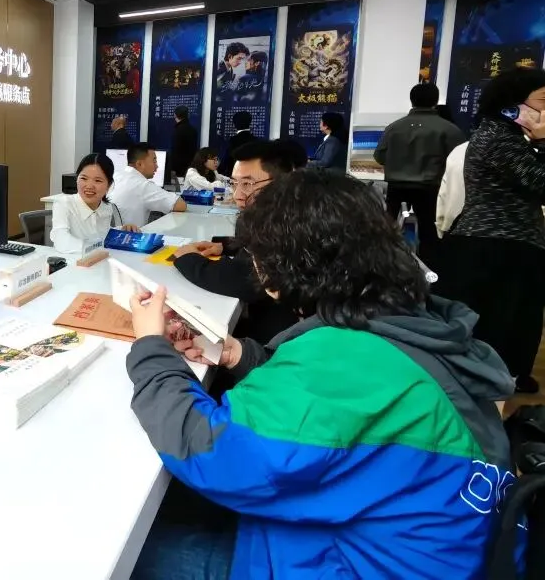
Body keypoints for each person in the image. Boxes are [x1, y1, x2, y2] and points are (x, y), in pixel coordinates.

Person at [128, 169, 516, 579]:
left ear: (279, 269)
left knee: (125, 549)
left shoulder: (338, 356)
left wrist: (151, 347)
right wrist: (235, 353)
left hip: (357, 565)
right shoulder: (403, 321)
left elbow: (207, 449)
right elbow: (336, 411)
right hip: (431, 549)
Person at [434, 68, 545, 393]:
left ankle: (500, 383)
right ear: (514, 104)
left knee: (508, 320)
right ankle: (492, 391)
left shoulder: (505, 137)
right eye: (543, 100)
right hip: (496, 246)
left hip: (499, 244)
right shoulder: (498, 138)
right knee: (500, 323)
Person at [172, 141, 299, 344]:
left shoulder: (291, 222)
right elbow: (253, 246)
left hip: (279, 339)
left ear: (280, 183)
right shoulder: (270, 212)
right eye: (234, 183)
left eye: (247, 184)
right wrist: (225, 246)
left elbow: (247, 280)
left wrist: (189, 260)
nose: (238, 195)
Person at [374, 83, 466, 267]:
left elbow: (379, 156)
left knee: (388, 230)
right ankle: (428, 271)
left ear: (411, 100)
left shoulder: (394, 127)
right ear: (435, 100)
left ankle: (384, 266)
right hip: (430, 188)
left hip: (396, 187)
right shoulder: (449, 129)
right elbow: (459, 159)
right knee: (429, 234)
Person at [50, 153, 139, 254]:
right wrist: (94, 248)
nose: (89, 186)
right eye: (84, 178)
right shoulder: (63, 204)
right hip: (71, 261)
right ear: (77, 179)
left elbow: (102, 233)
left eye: (97, 180)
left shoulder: (106, 207)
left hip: (98, 260)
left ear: (109, 185)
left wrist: (121, 230)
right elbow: (61, 240)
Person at [109, 143, 188, 228]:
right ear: (139, 164)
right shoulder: (143, 185)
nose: (157, 166)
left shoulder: (114, 176)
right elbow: (180, 205)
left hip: (111, 233)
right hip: (131, 234)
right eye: (154, 161)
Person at [436, 141, 469, 239]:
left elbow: (443, 194)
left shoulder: (459, 150)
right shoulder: (509, 151)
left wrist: (441, 228)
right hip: (500, 231)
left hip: (455, 226)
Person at [217, 111, 257, 176]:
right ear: (250, 122)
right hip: (252, 175)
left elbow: (225, 160)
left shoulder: (232, 141)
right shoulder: (256, 141)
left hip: (234, 175)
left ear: (235, 124)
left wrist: (217, 173)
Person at [169, 105, 199, 181]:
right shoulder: (193, 130)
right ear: (187, 115)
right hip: (191, 167)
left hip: (178, 169)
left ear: (175, 115)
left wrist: (171, 168)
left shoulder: (178, 130)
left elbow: (175, 151)